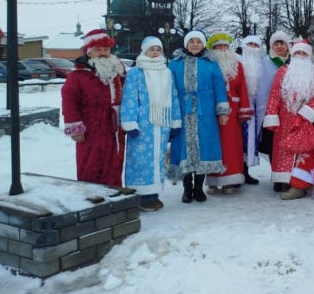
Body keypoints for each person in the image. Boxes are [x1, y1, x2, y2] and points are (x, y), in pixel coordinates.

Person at [119, 36, 182, 211]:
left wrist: (176, 121)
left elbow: (173, 97)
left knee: (157, 160)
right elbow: (130, 99)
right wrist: (130, 123)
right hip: (142, 125)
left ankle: (153, 195)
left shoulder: (166, 72)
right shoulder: (135, 73)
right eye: (151, 49)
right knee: (140, 160)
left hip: (162, 124)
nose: (155, 53)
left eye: (158, 49)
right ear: (144, 50)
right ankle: (140, 196)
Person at [168, 30, 230, 203]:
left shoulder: (211, 63)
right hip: (182, 110)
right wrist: (172, 113)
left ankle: (199, 188)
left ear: (203, 44)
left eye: (198, 41)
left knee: (204, 147)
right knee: (184, 148)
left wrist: (223, 110)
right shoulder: (174, 64)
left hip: (206, 112)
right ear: (186, 44)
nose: (195, 44)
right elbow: (169, 90)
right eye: (192, 41)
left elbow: (219, 87)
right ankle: (187, 189)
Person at [62, 28, 128, 188]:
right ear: (89, 51)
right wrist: (76, 128)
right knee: (92, 161)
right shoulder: (78, 74)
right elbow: (69, 100)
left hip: (115, 123)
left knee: (115, 160)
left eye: (106, 49)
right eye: (98, 49)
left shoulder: (118, 69)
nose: (103, 52)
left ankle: (114, 193)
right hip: (91, 125)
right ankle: (91, 197)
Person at [262, 39, 314, 199]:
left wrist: (307, 113)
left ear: (309, 55)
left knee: (303, 151)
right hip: (284, 118)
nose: (301, 56)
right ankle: (283, 179)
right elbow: (274, 94)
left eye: (304, 53)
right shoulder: (282, 71)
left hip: (305, 119)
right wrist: (272, 115)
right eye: (298, 53)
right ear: (293, 54)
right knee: (282, 150)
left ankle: (299, 182)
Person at [205, 32, 253, 194]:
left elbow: (243, 89)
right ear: (212, 49)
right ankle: (212, 179)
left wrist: (244, 110)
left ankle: (230, 181)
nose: (222, 49)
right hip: (212, 111)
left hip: (232, 111)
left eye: (225, 46)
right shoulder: (208, 65)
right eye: (218, 46)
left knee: (231, 146)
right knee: (214, 144)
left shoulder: (237, 65)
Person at [239, 34, 276, 186]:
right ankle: (237, 173)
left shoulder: (264, 64)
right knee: (238, 141)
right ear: (243, 47)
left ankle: (245, 171)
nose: (253, 48)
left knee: (250, 140)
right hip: (238, 107)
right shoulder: (237, 62)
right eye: (250, 45)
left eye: (256, 45)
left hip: (257, 108)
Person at [259, 30, 292, 180]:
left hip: (289, 110)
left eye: (282, 43)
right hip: (270, 109)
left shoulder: (294, 61)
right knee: (273, 144)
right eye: (276, 43)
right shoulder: (265, 62)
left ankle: (289, 175)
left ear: (287, 45)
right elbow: (261, 86)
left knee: (287, 144)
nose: (279, 46)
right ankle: (276, 175)